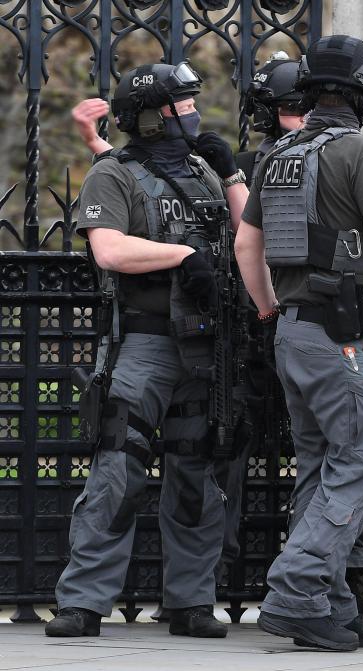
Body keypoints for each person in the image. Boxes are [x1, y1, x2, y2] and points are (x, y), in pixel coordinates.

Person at [234, 34, 363, 652]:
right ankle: (296, 591)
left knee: (319, 468)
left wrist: (271, 308)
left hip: (294, 328)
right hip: (345, 333)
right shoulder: (357, 151)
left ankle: (330, 601)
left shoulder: (281, 154)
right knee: (358, 467)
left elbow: (247, 245)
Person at [47, 61, 248, 638]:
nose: (192, 112)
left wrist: (231, 175)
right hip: (147, 342)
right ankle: (83, 602)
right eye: (181, 104)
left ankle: (190, 602)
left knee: (195, 476)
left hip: (206, 348)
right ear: (153, 115)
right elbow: (108, 249)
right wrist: (184, 258)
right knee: (118, 469)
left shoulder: (205, 173)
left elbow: (250, 238)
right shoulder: (113, 174)